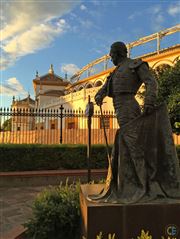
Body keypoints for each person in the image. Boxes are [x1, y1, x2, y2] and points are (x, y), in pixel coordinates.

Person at [90, 41, 180, 204]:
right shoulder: (115, 72)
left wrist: (149, 101)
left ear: (118, 53)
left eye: (111, 55)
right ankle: (132, 183)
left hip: (129, 106)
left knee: (133, 145)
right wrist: (99, 95)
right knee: (128, 144)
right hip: (119, 107)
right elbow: (106, 87)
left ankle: (145, 185)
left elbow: (151, 82)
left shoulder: (135, 65)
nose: (110, 58)